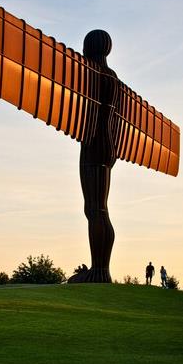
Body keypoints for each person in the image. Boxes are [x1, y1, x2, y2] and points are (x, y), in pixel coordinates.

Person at [68, 30, 118, 283]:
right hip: (108, 146)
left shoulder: (90, 74)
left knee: (94, 209)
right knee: (100, 209)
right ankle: (100, 268)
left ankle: (99, 270)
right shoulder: (113, 78)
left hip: (93, 143)